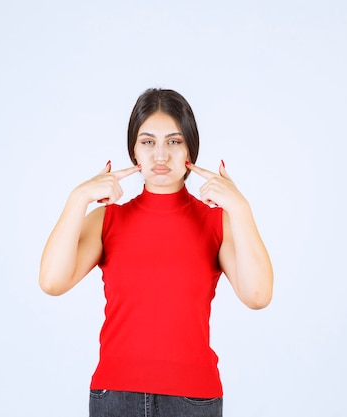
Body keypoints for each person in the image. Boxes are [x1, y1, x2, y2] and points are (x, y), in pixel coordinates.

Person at [39, 88, 273, 417]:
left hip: (193, 400)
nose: (160, 156)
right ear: (133, 150)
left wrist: (240, 207)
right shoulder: (108, 219)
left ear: (190, 147)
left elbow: (258, 295)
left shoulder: (217, 222)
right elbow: (52, 281)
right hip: (115, 398)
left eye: (174, 142)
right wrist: (78, 197)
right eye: (148, 142)